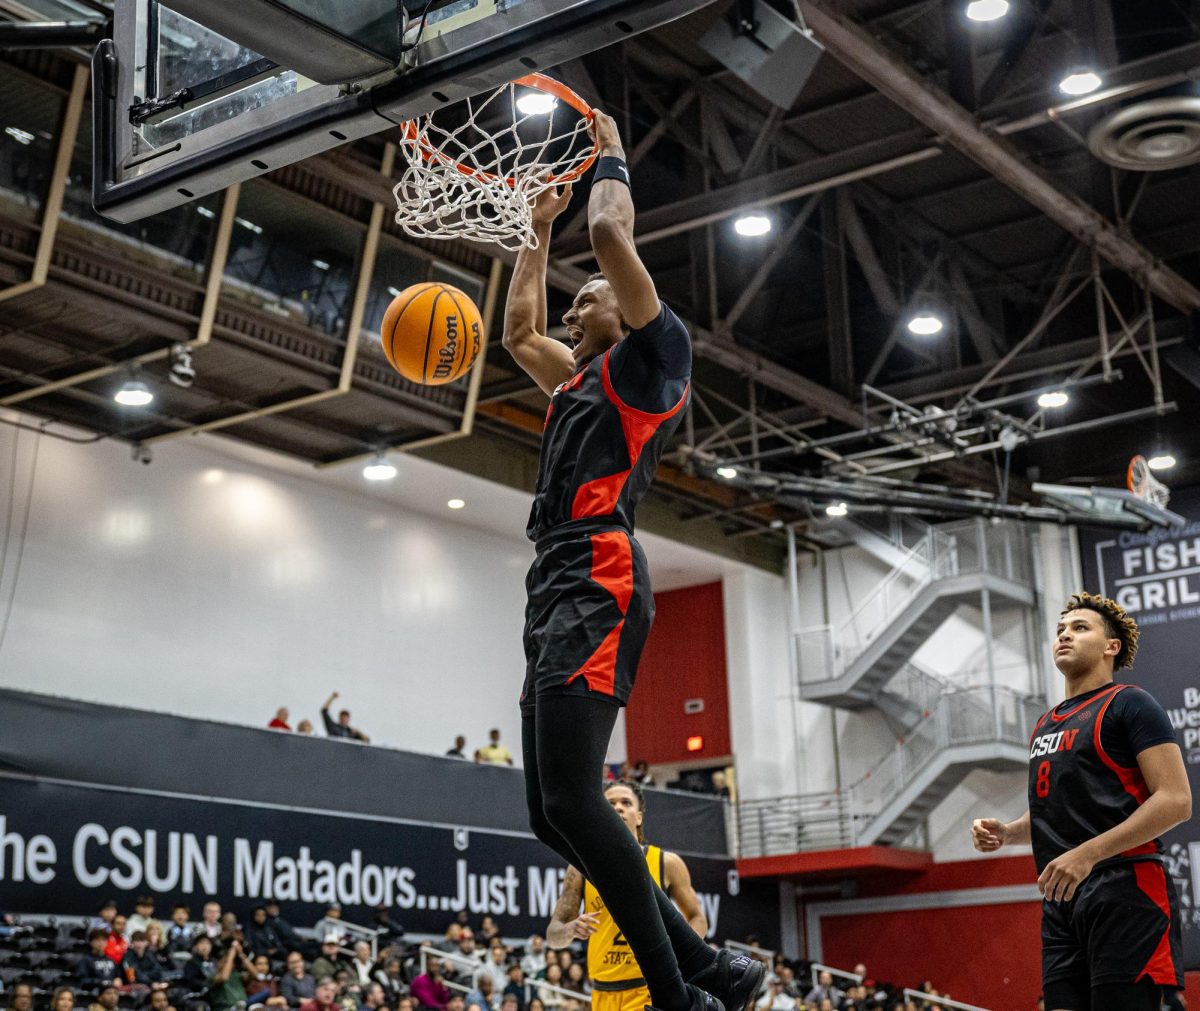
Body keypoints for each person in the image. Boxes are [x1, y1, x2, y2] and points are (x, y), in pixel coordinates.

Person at [501, 109, 757, 1011]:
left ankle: (682, 991)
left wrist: (607, 147)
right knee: (549, 812)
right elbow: (518, 333)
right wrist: (532, 235)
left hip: (600, 572)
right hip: (556, 577)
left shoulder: (654, 360)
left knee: (577, 801)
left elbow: (609, 229)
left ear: (631, 303)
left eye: (589, 296)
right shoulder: (575, 378)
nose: (576, 304)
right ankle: (712, 968)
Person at [971, 592, 1191, 1011]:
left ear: (1112, 647)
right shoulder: (1045, 723)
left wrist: (1088, 854)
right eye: (1060, 630)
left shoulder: (1130, 703)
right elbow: (1053, 809)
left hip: (1125, 888)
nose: (1064, 636)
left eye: (1079, 627)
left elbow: (1176, 801)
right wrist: (1008, 831)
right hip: (1062, 900)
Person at [547, 779, 722, 1011]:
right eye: (610, 804)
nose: (618, 808)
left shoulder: (666, 863)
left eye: (626, 803)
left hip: (649, 988)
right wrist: (570, 929)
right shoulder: (580, 867)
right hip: (602, 993)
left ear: (639, 817)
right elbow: (553, 934)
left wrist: (679, 956)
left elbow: (698, 918)